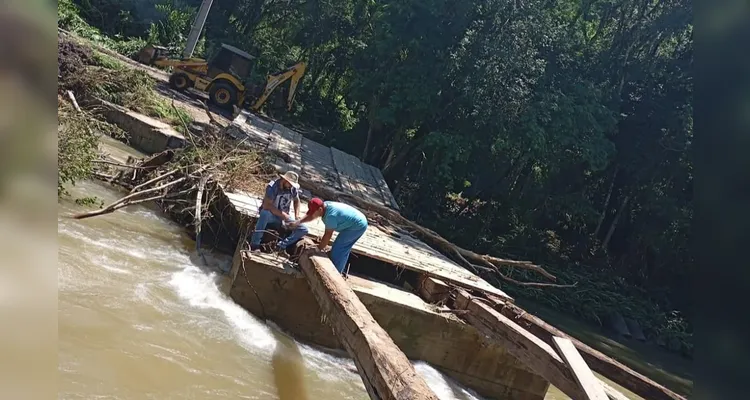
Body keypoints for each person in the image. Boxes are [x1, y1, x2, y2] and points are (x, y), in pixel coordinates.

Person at [287, 198, 368, 274]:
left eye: (313, 212)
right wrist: (298, 222)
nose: (312, 215)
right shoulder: (324, 206)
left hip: (357, 225)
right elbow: (311, 216)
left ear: (320, 210)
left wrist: (318, 249)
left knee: (340, 247)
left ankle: (336, 273)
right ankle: (338, 266)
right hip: (354, 221)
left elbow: (328, 235)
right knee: (343, 247)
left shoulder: (330, 216)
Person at [249, 171, 309, 251]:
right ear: (285, 181)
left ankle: (281, 245)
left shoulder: (292, 189)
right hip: (272, 216)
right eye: (290, 184)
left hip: (283, 218)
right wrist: (283, 215)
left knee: (303, 229)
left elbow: (296, 200)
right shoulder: (273, 187)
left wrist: (297, 215)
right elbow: (266, 205)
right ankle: (255, 244)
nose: (291, 186)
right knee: (264, 213)